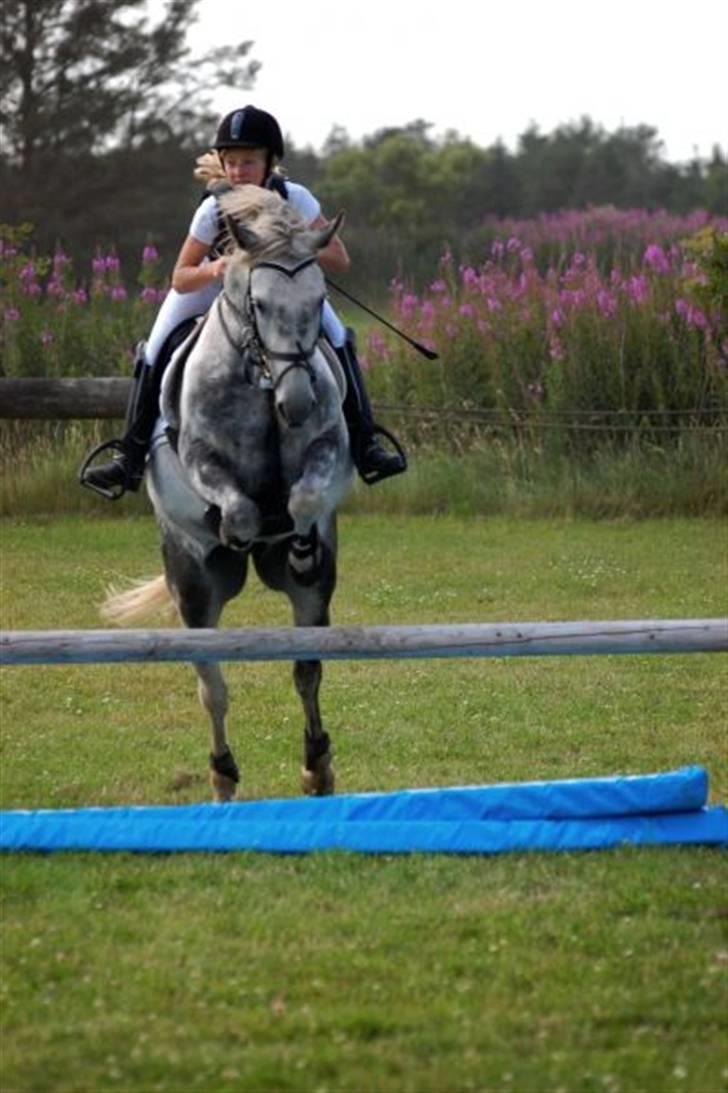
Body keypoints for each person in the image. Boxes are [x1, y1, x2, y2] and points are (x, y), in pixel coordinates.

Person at [80, 105, 406, 497]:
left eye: (248, 161)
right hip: (210, 289)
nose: (237, 171)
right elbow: (180, 277)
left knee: (339, 338)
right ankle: (129, 456)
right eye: (230, 162)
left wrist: (291, 246)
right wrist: (215, 269)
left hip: (280, 289)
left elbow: (339, 258)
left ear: (270, 162)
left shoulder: (295, 198)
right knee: (155, 348)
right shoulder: (213, 208)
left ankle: (366, 443)